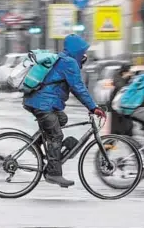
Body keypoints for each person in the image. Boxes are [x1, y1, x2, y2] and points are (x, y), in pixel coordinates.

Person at [23, 34, 106, 188]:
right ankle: (53, 173)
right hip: (43, 103)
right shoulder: (69, 63)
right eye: (83, 52)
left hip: (39, 101)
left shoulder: (63, 59)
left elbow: (70, 83)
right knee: (56, 136)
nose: (84, 54)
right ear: (76, 51)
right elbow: (78, 87)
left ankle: (37, 143)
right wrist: (93, 107)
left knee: (62, 119)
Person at [107, 62, 134, 135]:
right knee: (115, 126)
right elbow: (120, 86)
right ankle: (109, 143)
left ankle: (130, 142)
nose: (131, 73)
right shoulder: (117, 76)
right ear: (125, 71)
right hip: (115, 104)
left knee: (128, 125)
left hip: (125, 103)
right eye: (130, 71)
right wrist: (125, 79)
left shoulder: (129, 77)